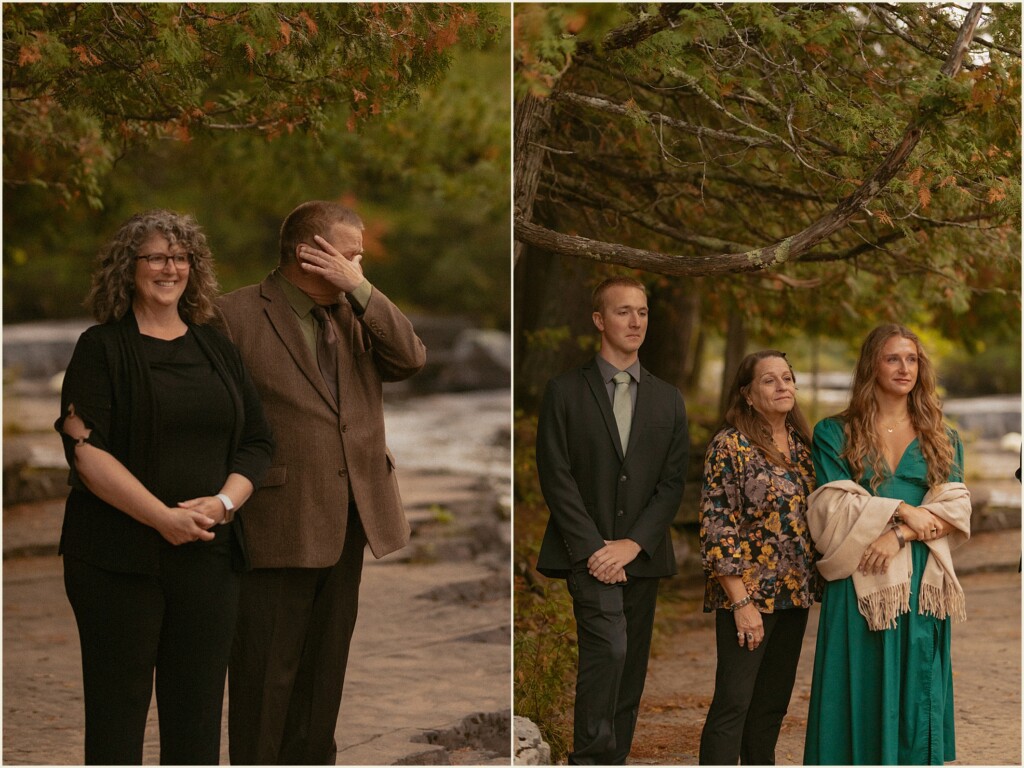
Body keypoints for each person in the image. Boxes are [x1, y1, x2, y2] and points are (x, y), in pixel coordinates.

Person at [55, 209, 274, 765]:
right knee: (116, 714)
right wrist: (162, 517)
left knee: (197, 716)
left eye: (181, 257)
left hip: (209, 556)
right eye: (155, 256)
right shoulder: (99, 348)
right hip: (116, 560)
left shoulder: (216, 347)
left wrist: (225, 504)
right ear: (129, 269)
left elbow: (257, 442)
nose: (169, 267)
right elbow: (87, 454)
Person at [216, 200, 426, 764]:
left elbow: (410, 358)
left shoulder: (358, 312)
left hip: (353, 516)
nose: (359, 267)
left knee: (322, 683)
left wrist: (360, 290)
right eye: (349, 255)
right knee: (264, 680)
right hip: (275, 520)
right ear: (311, 251)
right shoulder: (230, 315)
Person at [535, 276, 689, 765]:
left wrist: (632, 545)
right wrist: (597, 550)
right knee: (609, 653)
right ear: (599, 320)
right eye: (624, 311)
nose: (636, 321)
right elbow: (556, 477)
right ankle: (591, 759)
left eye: (642, 312)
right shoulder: (563, 392)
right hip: (585, 552)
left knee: (631, 670)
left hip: (641, 557)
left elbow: (671, 485)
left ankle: (613, 758)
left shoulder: (669, 399)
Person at [804, 324, 971, 765]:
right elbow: (832, 506)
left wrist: (902, 531)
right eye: (892, 358)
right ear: (871, 365)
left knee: (916, 690)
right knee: (856, 683)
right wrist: (903, 507)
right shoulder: (832, 433)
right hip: (860, 579)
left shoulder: (942, 436)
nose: (904, 368)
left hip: (919, 581)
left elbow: (954, 508)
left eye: (912, 359)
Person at [698, 350, 821, 765]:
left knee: (770, 708)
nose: (783, 385)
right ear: (748, 394)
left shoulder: (805, 447)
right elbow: (718, 528)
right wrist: (741, 603)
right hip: (747, 597)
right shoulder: (729, 445)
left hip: (794, 595)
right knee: (733, 703)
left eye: (787, 377)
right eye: (770, 380)